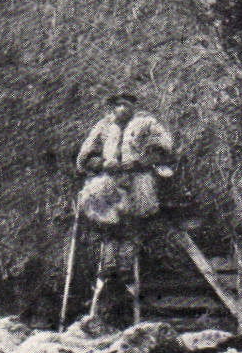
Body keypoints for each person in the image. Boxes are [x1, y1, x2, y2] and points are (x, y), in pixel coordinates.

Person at [74, 92, 175, 320]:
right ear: (112, 108)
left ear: (133, 106)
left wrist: (140, 161)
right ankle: (109, 267)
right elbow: (84, 157)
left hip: (137, 180)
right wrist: (102, 163)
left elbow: (164, 148)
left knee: (133, 223)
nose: (122, 109)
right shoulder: (103, 127)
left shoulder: (147, 124)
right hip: (110, 181)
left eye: (126, 104)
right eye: (117, 105)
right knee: (107, 222)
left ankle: (126, 268)